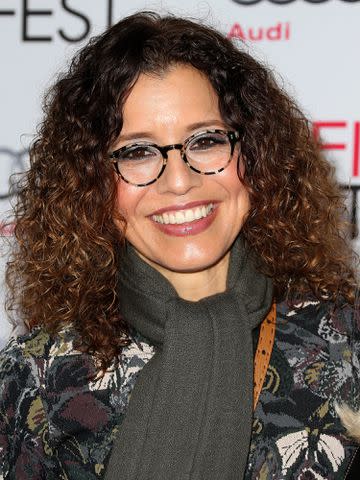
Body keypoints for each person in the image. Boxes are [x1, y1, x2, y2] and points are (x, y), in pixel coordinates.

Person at [0, 11, 359, 480]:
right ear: (91, 183)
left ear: (253, 154)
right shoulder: (39, 378)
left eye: (205, 141)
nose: (179, 181)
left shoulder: (344, 345)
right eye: (137, 151)